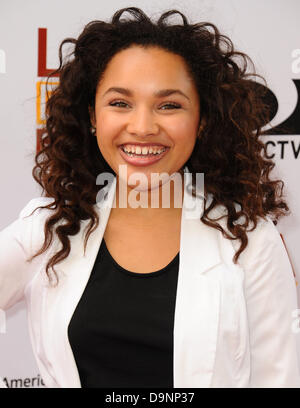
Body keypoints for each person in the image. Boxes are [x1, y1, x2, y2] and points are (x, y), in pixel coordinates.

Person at [0, 6, 299, 388]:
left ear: (202, 119)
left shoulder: (249, 239)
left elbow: (280, 380)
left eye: (169, 105)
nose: (142, 127)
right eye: (120, 103)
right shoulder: (47, 227)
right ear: (92, 115)